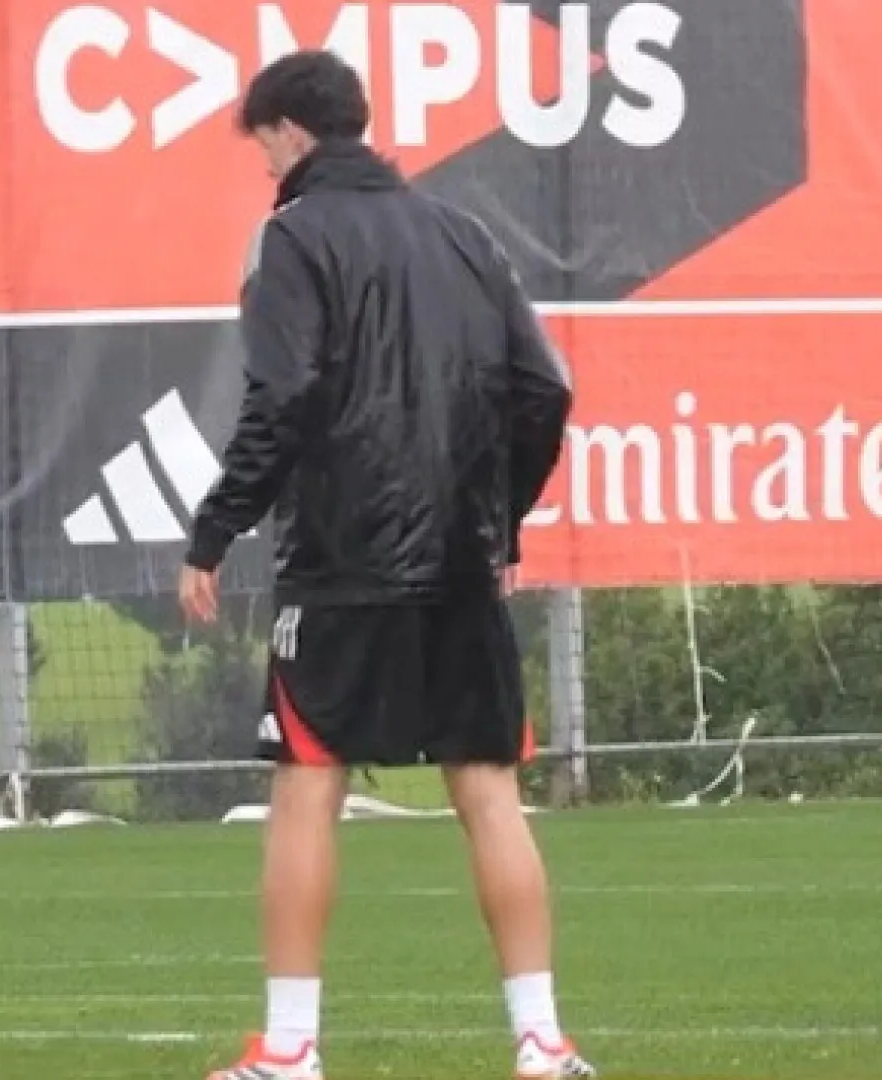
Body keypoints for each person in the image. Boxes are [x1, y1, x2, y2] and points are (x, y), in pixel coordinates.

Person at [176, 49, 590, 1080]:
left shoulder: (293, 236)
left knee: (307, 789)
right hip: (459, 562)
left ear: (286, 136)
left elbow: (283, 398)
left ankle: (289, 1048)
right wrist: (496, 522)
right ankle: (541, 1040)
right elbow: (543, 391)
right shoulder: (463, 233)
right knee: (490, 795)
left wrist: (216, 528)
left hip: (339, 565)